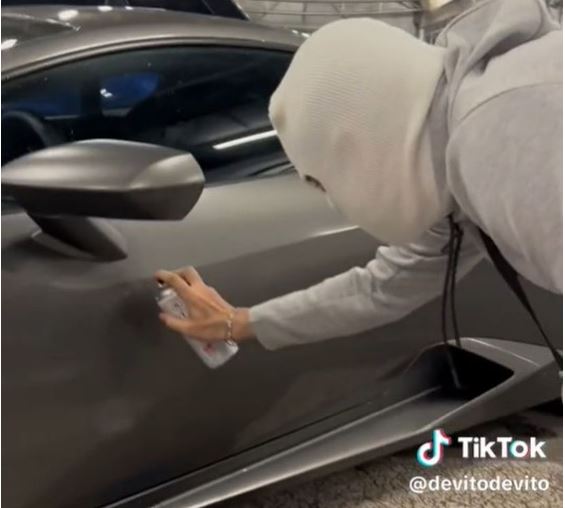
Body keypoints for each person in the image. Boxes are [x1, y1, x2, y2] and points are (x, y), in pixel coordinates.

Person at [155, 0, 562, 354]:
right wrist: (240, 322)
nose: (334, 199)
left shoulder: (495, 131)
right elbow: (384, 287)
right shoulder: (458, 146)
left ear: (359, 142)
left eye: (323, 181)